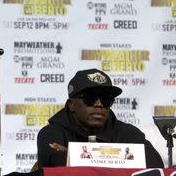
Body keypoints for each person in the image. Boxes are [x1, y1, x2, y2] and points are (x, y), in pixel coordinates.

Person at [36, 68, 164, 168]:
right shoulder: (51, 133)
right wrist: (122, 159)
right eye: (90, 98)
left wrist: (72, 155)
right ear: (72, 105)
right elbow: (59, 165)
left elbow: (155, 166)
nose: (99, 104)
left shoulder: (127, 133)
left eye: (105, 99)